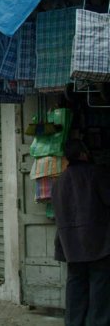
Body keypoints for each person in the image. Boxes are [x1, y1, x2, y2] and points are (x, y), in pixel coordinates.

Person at [52, 139, 110, 326]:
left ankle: (73, 322)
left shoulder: (59, 181)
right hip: (97, 242)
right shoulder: (95, 173)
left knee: (75, 283)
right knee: (99, 284)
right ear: (83, 154)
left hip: (70, 244)